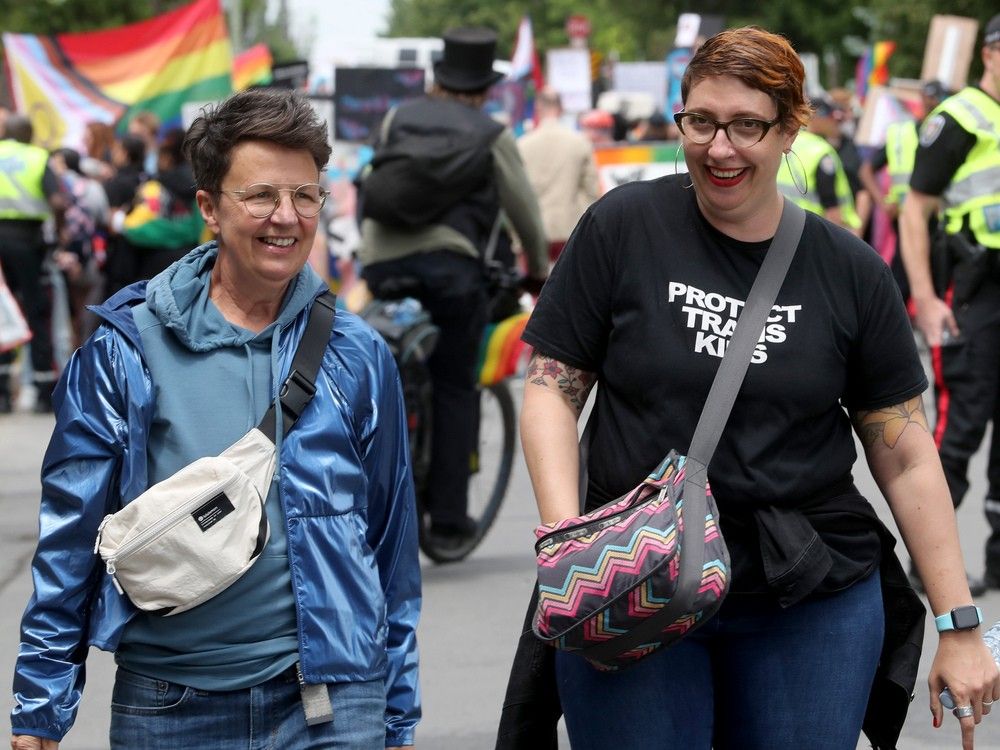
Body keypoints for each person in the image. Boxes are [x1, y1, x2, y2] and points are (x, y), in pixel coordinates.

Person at [517, 26, 998, 750]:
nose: (720, 148)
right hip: (632, 584)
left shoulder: (850, 271)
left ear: (790, 129)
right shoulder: (623, 227)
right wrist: (569, 547)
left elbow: (904, 455)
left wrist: (958, 626)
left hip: (807, 599)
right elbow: (552, 389)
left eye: (747, 126)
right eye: (701, 122)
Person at [10, 88, 421, 749]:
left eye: (305, 196)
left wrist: (396, 712)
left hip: (333, 702)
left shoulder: (358, 354)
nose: (286, 217)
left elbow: (390, 543)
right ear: (209, 207)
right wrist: (41, 703)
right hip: (169, 707)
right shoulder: (126, 349)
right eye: (260, 196)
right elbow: (69, 536)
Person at [359, 26, 547, 552]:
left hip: (381, 263)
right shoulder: (492, 135)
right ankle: (447, 518)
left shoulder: (397, 117)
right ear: (485, 87)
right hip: (450, 269)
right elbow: (525, 212)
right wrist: (536, 269)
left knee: (378, 371)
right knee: (454, 384)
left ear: (438, 77)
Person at [899, 13, 1000, 594]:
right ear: (988, 52)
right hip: (973, 290)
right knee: (960, 428)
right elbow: (915, 209)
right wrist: (926, 297)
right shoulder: (960, 117)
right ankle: (928, 561)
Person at [858, 80, 950, 302]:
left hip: (938, 218)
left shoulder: (949, 133)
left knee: (938, 277)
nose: (933, 103)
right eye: (930, 98)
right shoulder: (901, 133)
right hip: (906, 216)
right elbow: (866, 171)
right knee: (903, 277)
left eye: (937, 98)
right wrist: (882, 202)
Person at [0, 115, 66, 413]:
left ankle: (2, 393)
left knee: (3, 311)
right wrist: (61, 231)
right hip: (28, 242)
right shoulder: (38, 157)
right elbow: (58, 201)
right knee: (36, 310)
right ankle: (43, 390)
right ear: (29, 134)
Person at [517, 87, 599, 264]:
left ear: (538, 108)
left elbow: (516, 193)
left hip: (534, 231)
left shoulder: (522, 145)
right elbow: (592, 191)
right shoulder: (580, 143)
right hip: (570, 230)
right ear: (561, 109)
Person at [776, 100, 862, 235]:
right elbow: (832, 211)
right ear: (815, 118)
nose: (834, 124)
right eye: (831, 118)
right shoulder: (821, 151)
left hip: (783, 227)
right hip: (816, 232)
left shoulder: (785, 143)